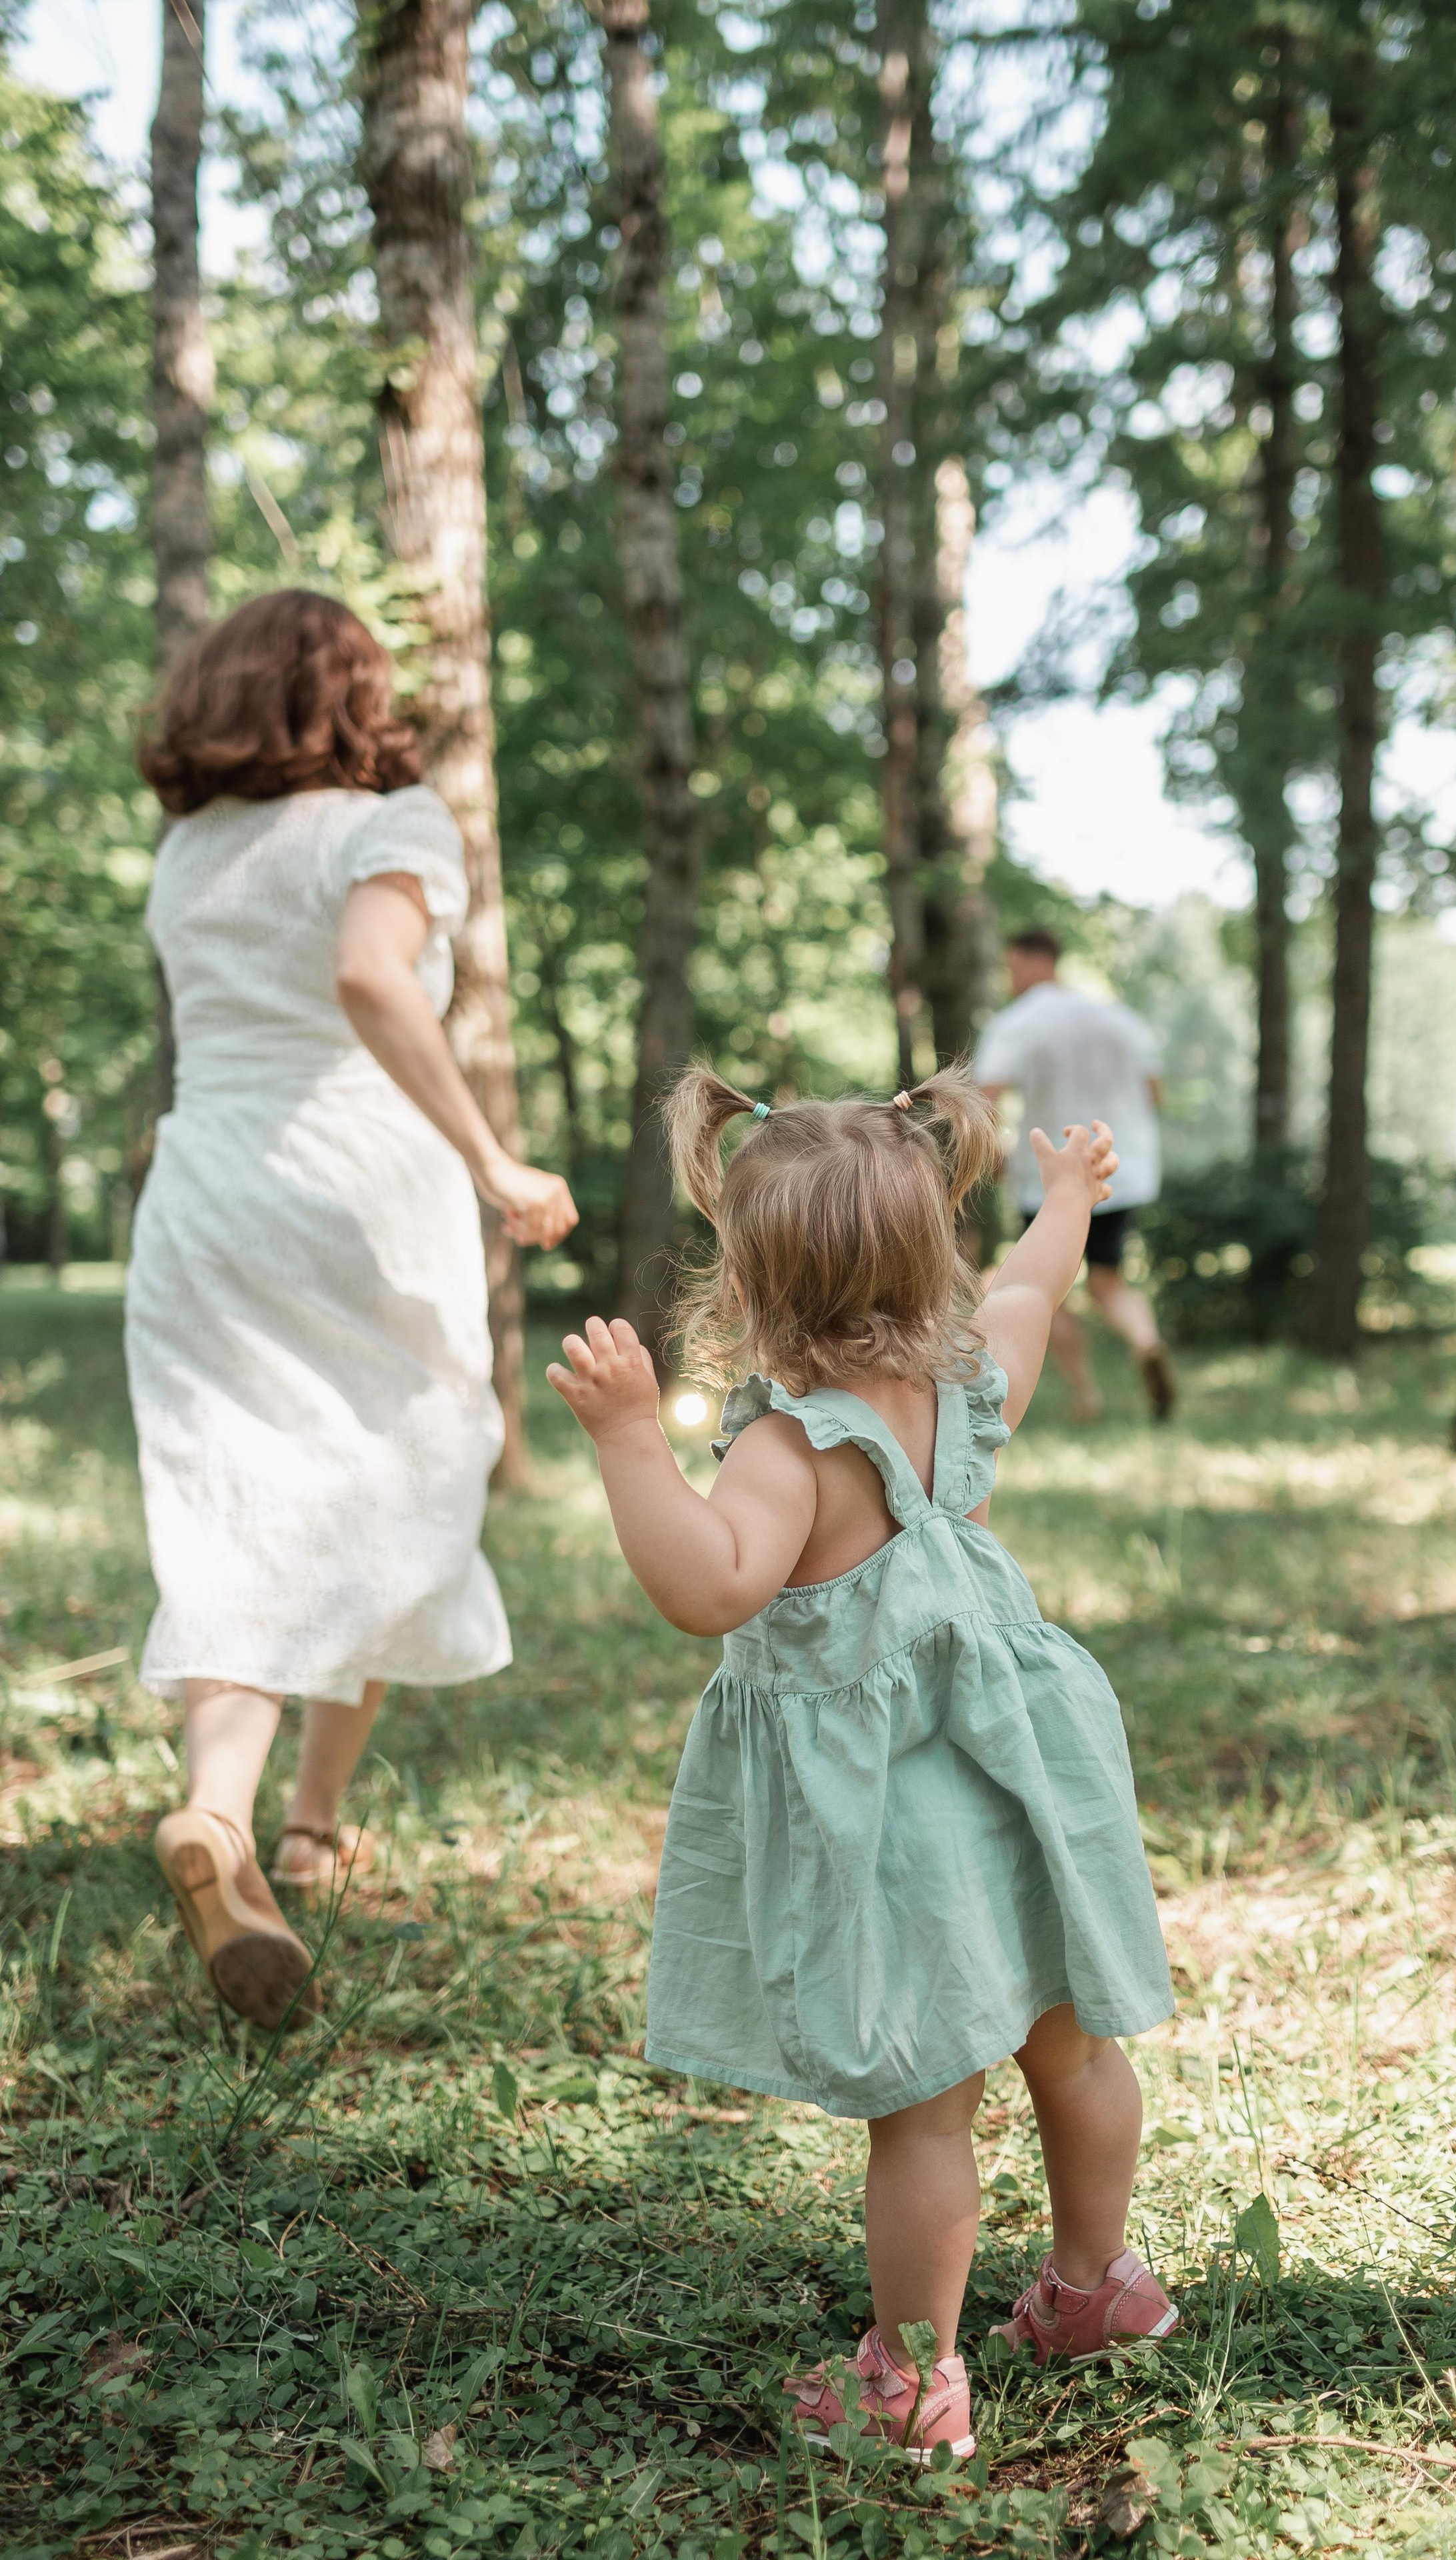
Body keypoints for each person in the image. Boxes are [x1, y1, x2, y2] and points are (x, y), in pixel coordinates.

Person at [547, 1069, 1176, 2463]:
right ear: (924, 1255)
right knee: (1071, 2053)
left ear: (750, 1281)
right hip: (1020, 1791)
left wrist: (628, 1441)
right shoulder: (964, 1384)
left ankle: (910, 2381)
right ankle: (1091, 2288)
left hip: (897, 1826)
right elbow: (1028, 1293)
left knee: (923, 2116)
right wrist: (1067, 1198)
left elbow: (709, 1587)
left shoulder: (786, 1450)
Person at [129, 589, 575, 2032]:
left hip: (202, 1196)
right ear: (350, 695)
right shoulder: (393, 821)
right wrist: (492, 1155)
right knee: (387, 1480)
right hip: (354, 1191)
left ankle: (236, 1816)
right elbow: (367, 977)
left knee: (237, 1501)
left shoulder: (189, 848)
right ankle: (304, 1820)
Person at [974, 927, 1175, 1423]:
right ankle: (1146, 1342)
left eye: (1011, 966)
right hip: (1117, 1170)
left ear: (1025, 960)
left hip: (1049, 1176)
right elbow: (1155, 1093)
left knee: (1047, 1290)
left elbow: (985, 1098)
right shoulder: (1119, 1017)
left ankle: (1086, 1396)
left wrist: (994, 1158)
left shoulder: (1017, 1023)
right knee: (1108, 1282)